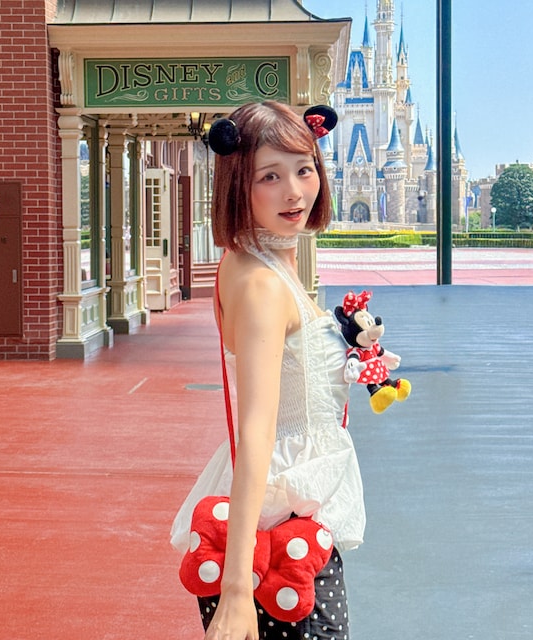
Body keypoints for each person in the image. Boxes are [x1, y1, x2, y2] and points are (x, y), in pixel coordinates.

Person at [170, 101, 365, 640]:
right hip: (277, 528)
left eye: (304, 170)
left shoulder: (259, 260)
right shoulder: (261, 283)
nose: (295, 192)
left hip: (290, 512)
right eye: (270, 177)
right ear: (239, 183)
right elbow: (256, 429)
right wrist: (237, 588)